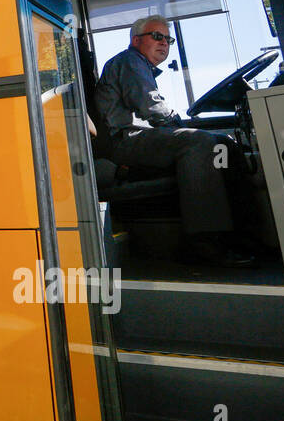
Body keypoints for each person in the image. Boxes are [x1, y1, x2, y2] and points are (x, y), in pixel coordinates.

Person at [94, 14, 257, 267]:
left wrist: (186, 130)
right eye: (156, 36)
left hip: (144, 139)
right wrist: (185, 130)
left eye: (168, 39)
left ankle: (244, 234)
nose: (164, 43)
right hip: (126, 142)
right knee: (200, 142)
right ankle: (204, 242)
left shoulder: (140, 65)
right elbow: (151, 107)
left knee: (224, 145)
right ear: (136, 40)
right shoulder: (130, 61)